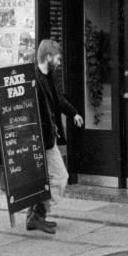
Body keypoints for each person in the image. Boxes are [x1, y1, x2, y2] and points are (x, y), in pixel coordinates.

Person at [26, 39, 84, 234]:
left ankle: (35, 214)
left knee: (48, 177)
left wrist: (73, 113)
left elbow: (58, 100)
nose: (59, 63)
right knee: (60, 177)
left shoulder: (49, 76)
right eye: (58, 58)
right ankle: (37, 214)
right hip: (39, 139)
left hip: (47, 138)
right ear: (48, 57)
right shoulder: (33, 79)